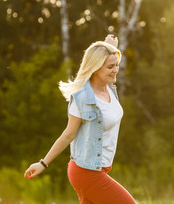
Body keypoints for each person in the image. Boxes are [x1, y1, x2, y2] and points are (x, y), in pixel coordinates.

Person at [24, 34, 136, 204]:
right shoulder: (82, 98)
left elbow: (101, 57)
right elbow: (68, 135)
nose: (115, 70)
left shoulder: (109, 89)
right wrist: (43, 163)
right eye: (110, 67)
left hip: (98, 170)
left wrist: (108, 46)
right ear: (96, 67)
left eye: (117, 66)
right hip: (86, 173)